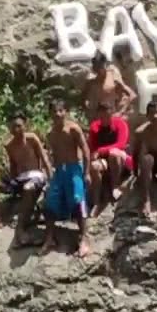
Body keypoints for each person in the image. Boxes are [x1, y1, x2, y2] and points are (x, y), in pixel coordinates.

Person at [42, 100, 92, 257]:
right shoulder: (50, 134)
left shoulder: (73, 129)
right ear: (50, 114)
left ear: (65, 112)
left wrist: (87, 172)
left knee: (78, 199)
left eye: (60, 111)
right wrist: (50, 175)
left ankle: (84, 238)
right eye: (54, 111)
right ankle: (50, 238)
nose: (57, 114)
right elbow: (51, 156)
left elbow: (85, 150)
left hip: (73, 168)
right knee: (49, 202)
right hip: (59, 172)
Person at [0, 112, 52, 246]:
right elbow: (13, 166)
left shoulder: (32, 139)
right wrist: (11, 185)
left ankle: (19, 229)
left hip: (36, 176)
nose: (16, 130)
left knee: (28, 188)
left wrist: (50, 181)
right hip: (20, 178)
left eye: (19, 126)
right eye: (13, 127)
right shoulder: (9, 145)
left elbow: (45, 159)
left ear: (25, 125)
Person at [87, 101, 133, 217]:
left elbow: (121, 144)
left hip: (121, 157)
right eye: (101, 116)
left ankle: (115, 186)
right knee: (94, 167)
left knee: (114, 154)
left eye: (107, 115)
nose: (104, 118)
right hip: (104, 160)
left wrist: (101, 151)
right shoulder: (95, 127)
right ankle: (96, 202)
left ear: (112, 113)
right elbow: (92, 147)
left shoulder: (120, 124)